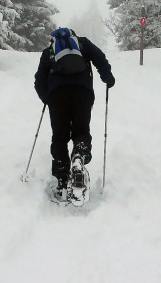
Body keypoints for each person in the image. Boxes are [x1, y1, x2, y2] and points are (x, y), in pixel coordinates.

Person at [34, 27, 115, 200]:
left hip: (57, 96)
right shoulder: (83, 43)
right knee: (81, 130)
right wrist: (108, 77)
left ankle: (62, 181)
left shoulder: (49, 50)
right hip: (83, 93)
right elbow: (100, 59)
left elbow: (39, 80)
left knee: (60, 136)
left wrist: (47, 99)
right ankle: (79, 155)